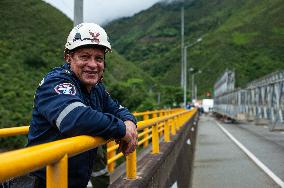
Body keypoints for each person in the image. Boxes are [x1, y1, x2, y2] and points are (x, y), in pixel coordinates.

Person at [25, 23, 138, 188]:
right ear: (68, 57)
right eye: (85, 57)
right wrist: (122, 129)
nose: (93, 65)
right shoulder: (55, 82)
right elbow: (75, 119)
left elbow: (119, 110)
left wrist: (129, 122)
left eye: (98, 58)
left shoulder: (96, 88)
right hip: (43, 182)